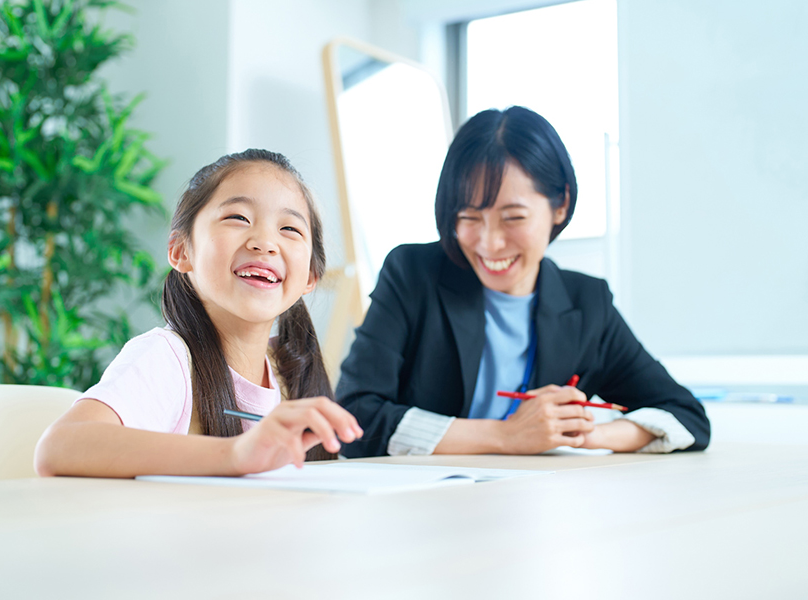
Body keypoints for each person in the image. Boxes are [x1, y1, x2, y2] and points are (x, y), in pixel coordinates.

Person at [336, 107, 709, 457]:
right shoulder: (413, 274)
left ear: (560, 204)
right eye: (469, 217)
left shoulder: (587, 303)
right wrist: (506, 436)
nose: (489, 243)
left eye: (513, 218)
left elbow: (686, 415)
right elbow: (353, 417)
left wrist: (587, 434)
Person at [36, 149, 362, 477]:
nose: (265, 242)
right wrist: (237, 454)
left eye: (290, 229)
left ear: (310, 277)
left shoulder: (290, 371)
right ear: (180, 251)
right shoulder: (168, 358)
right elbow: (59, 447)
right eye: (238, 218)